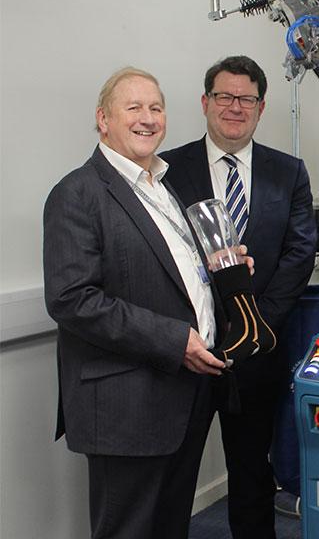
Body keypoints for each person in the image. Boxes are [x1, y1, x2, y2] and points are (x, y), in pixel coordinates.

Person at [44, 67, 229, 538]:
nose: (148, 118)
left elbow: (172, 274)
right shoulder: (77, 194)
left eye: (156, 107)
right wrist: (175, 340)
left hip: (183, 395)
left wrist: (220, 265)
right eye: (134, 108)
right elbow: (73, 299)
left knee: (170, 527)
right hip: (126, 405)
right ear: (103, 120)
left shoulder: (164, 187)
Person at [160, 55, 316, 539]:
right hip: (187, 349)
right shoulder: (167, 169)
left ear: (261, 107)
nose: (234, 108)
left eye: (245, 99)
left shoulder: (287, 172)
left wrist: (256, 325)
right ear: (205, 103)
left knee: (251, 475)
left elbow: (299, 251)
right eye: (224, 97)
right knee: (173, 477)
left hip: (257, 354)